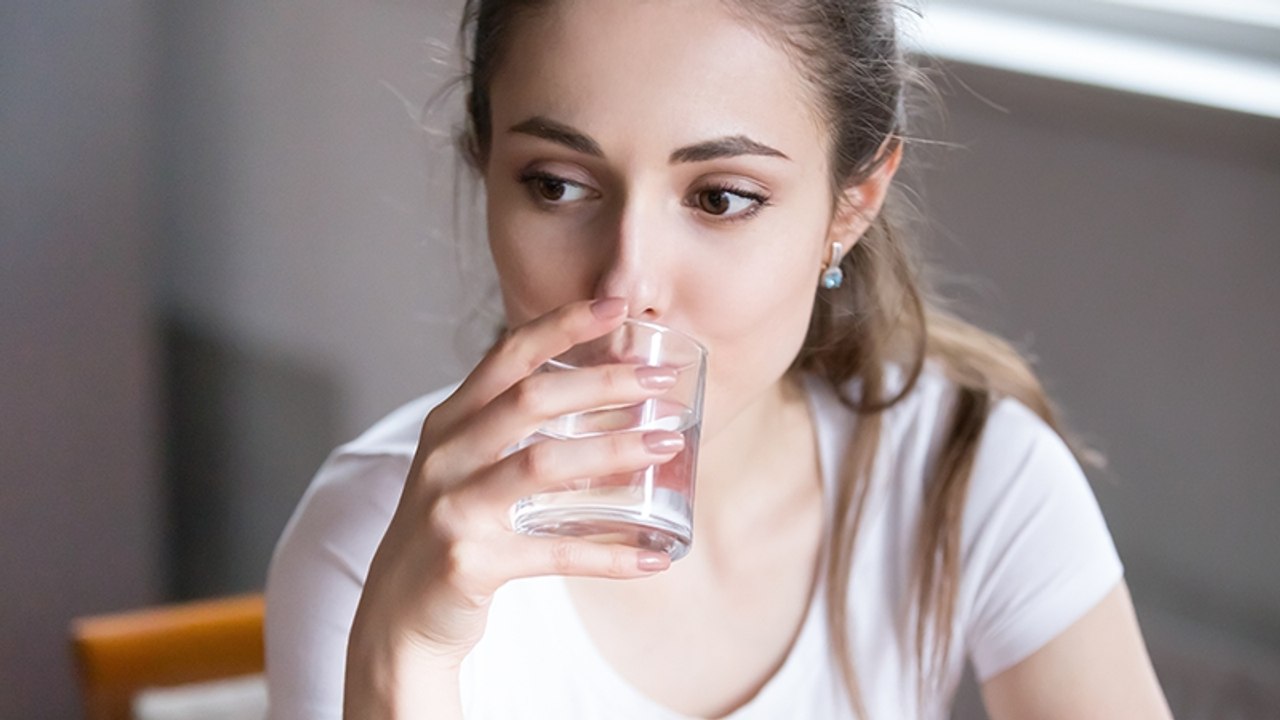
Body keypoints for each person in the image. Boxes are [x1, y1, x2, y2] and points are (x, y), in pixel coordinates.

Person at [265, 0, 1174, 718]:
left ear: (850, 207)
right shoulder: (377, 539)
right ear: (485, 168)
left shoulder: (964, 469)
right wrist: (406, 654)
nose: (629, 285)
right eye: (557, 184)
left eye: (722, 198)